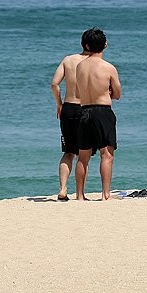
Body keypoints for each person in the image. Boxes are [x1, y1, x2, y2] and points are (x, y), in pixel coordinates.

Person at [74, 28, 121, 201]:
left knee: (83, 156)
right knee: (106, 154)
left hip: (84, 111)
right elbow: (117, 94)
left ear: (86, 45)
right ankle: (105, 194)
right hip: (102, 111)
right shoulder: (108, 67)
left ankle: (79, 195)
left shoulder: (79, 67)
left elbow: (79, 92)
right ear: (105, 45)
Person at [49, 35, 91, 201]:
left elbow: (54, 84)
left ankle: (63, 188)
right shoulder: (94, 62)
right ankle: (81, 193)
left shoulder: (68, 60)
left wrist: (59, 104)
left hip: (68, 108)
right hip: (85, 108)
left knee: (68, 152)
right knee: (84, 154)